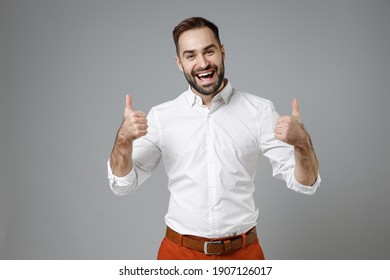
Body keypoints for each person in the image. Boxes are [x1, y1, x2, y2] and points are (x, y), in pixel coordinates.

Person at [107, 17, 320, 260]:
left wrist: (302, 144)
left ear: (222, 52)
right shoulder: (161, 116)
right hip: (179, 254)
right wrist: (123, 139)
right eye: (190, 56)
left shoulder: (259, 111)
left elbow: (305, 184)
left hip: (243, 255)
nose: (202, 63)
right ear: (179, 63)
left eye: (209, 51)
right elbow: (122, 184)